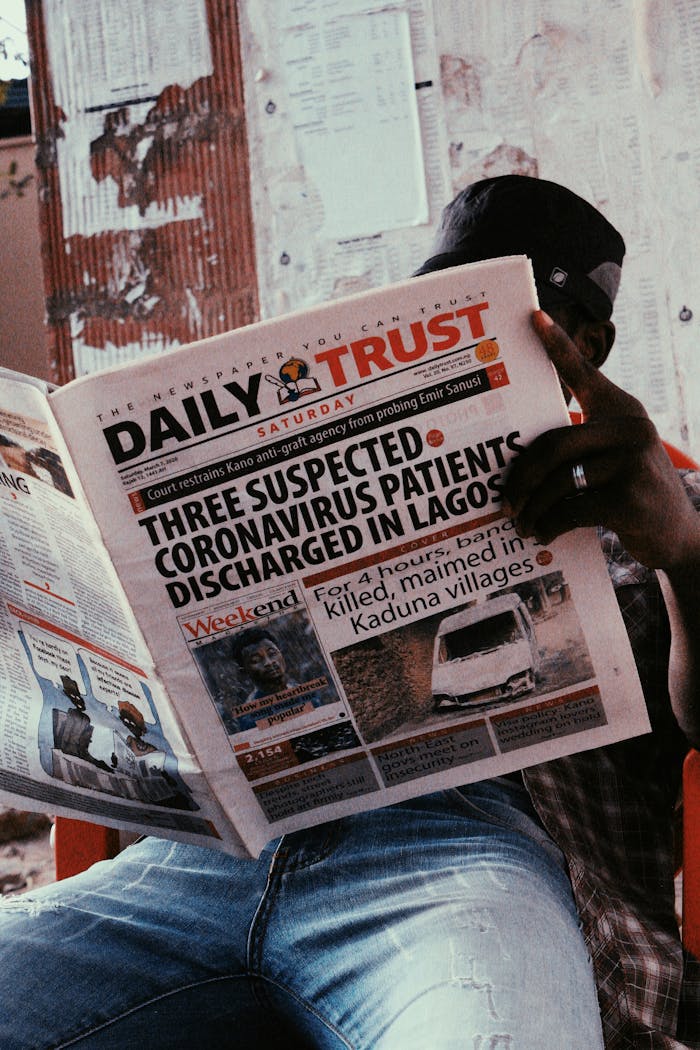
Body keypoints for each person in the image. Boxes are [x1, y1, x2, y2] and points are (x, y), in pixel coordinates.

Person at [0, 175, 699, 1050]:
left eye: (507, 310)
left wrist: (684, 555)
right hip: (201, 862)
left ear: (589, 343)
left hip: (466, 861)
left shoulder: (665, 503)